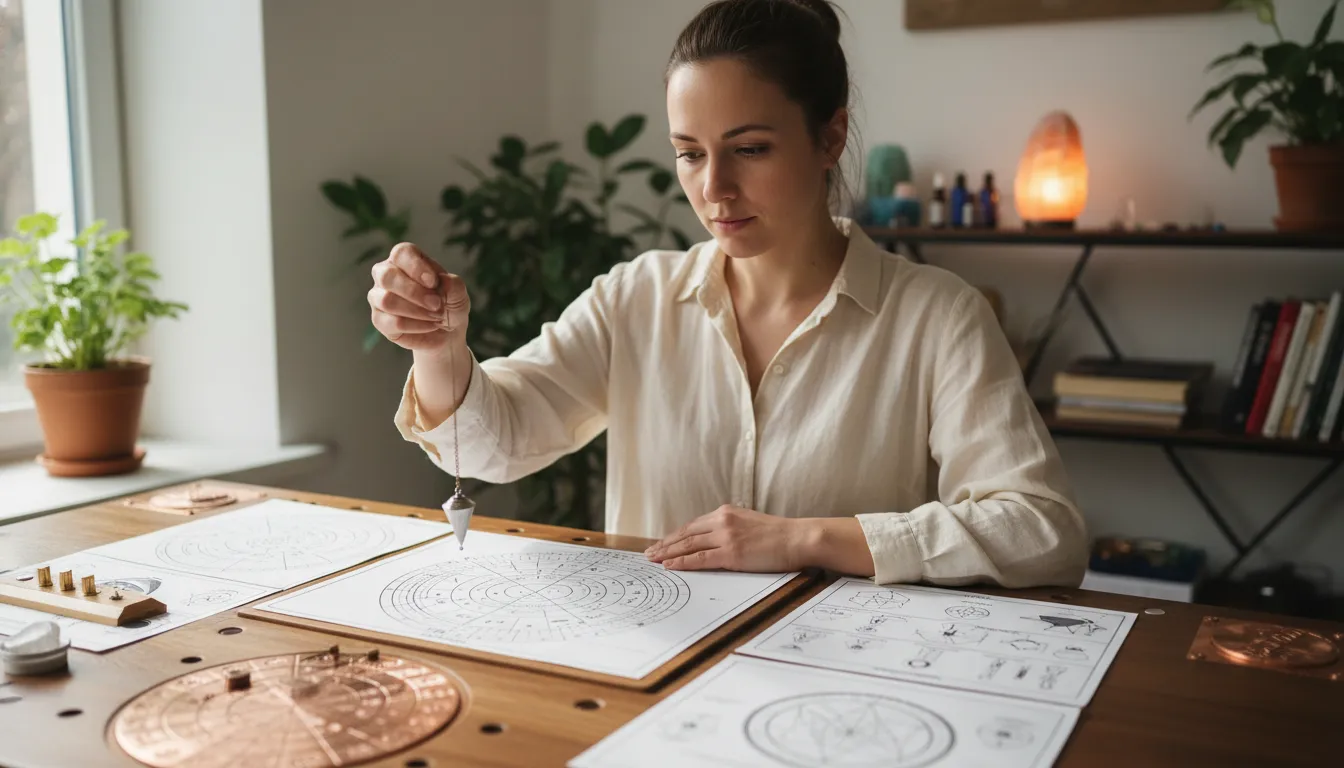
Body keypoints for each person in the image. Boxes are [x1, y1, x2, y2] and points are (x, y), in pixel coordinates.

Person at [369, 0, 1087, 588]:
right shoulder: (636, 298)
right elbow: (499, 444)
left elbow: (1042, 532)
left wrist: (806, 540)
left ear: (831, 135)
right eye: (689, 153)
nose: (712, 189)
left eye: (749, 149)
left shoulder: (938, 316)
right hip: (656, 673)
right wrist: (440, 348)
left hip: (837, 690)